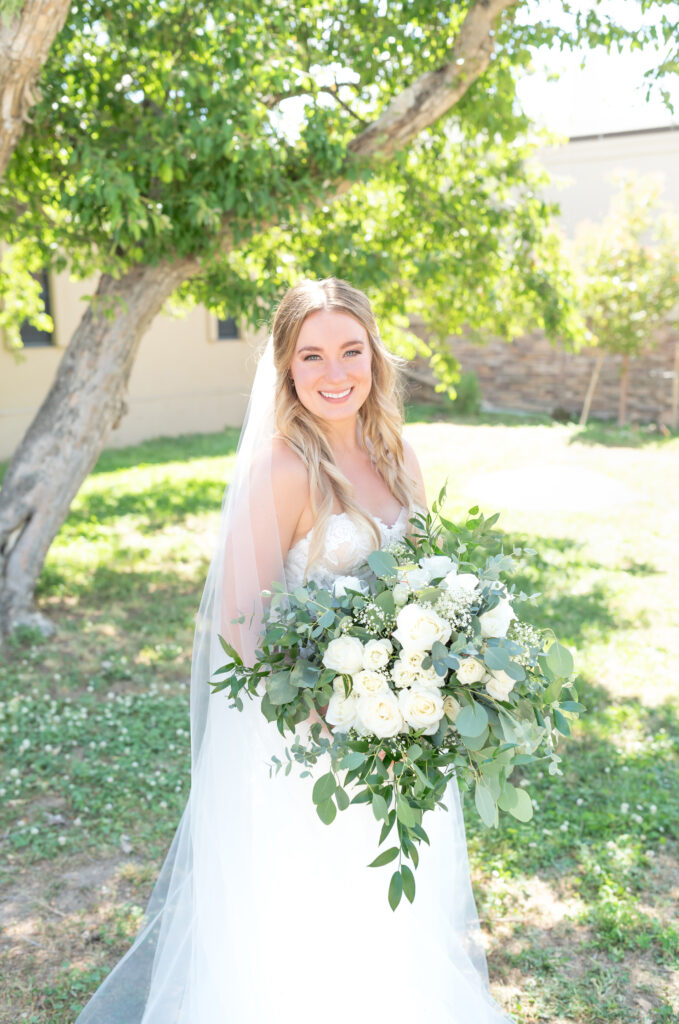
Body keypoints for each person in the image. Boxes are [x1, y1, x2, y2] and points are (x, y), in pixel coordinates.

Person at [74, 278, 514, 1023]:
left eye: (350, 350)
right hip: (309, 737)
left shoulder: (399, 453)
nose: (334, 373)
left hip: (399, 725)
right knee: (313, 901)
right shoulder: (280, 469)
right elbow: (240, 625)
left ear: (374, 355)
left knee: (387, 898)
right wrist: (325, 717)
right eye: (311, 356)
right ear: (285, 369)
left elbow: (425, 582)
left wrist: (441, 669)